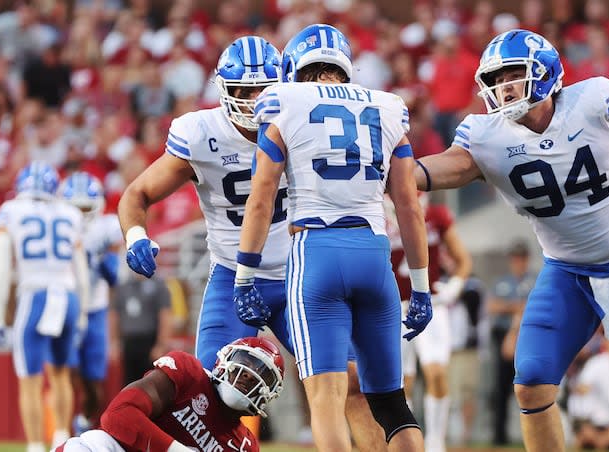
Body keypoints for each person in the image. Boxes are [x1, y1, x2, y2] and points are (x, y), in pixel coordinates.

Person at [118, 35, 385, 447]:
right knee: (204, 397)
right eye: (243, 91)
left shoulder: (306, 121)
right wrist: (136, 235)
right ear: (224, 91)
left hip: (304, 275)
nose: (253, 99)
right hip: (233, 276)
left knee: (351, 382)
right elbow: (136, 194)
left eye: (262, 89)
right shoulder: (200, 132)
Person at [413, 28, 609, 452]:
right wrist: (402, 173)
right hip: (571, 272)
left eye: (512, 75)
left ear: (544, 73)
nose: (502, 88)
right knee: (530, 381)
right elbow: (452, 166)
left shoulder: (593, 101)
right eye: (494, 80)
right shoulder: (486, 134)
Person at [234, 24, 432, 452]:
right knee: (391, 403)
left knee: (326, 398)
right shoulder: (386, 105)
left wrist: (244, 275)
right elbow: (409, 205)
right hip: (374, 253)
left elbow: (261, 198)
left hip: (317, 251)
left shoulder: (283, 101)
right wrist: (420, 287)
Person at [0, 161, 90, 452]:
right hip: (68, 296)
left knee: (30, 380)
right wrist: (82, 316)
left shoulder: (12, 210)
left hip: (35, 294)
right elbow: (81, 272)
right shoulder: (70, 213)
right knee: (61, 374)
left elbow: (1, 268)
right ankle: (61, 439)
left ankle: (35, 445)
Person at [55, 336, 285, 452]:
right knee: (92, 444)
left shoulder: (244, 446)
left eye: (262, 373)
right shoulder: (189, 374)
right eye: (245, 363)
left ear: (270, 393)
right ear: (224, 361)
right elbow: (118, 416)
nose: (248, 375)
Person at [387, 193, 472, 452]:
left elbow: (463, 260)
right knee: (402, 383)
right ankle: (409, 443)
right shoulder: (379, 218)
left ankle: (436, 442)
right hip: (395, 308)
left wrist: (454, 287)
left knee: (436, 373)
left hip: (430, 304)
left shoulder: (435, 217)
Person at [59, 171, 122, 435]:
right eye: (76, 207)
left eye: (85, 207)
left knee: (93, 378)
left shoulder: (106, 227)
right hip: (67, 305)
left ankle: (85, 421)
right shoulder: (59, 226)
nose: (81, 214)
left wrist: (105, 260)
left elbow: (117, 275)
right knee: (66, 369)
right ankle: (64, 425)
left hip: (96, 307)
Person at [487, 239, 535, 446]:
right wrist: (515, 307)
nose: (518, 262)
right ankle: (499, 436)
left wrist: (513, 310)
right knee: (501, 387)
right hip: (502, 333)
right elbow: (492, 306)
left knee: (529, 386)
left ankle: (532, 436)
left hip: (528, 335)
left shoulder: (534, 280)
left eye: (521, 257)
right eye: (515, 258)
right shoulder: (502, 282)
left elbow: (532, 306)